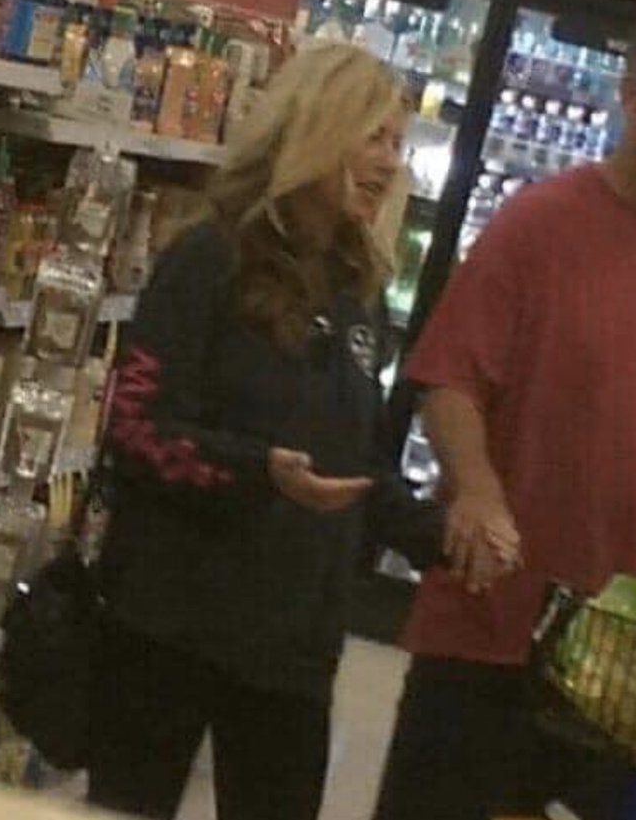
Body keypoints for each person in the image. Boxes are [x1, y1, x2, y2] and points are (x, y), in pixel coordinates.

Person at [374, 4, 636, 820]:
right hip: (494, 621)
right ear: (632, 99)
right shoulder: (537, 224)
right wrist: (477, 489)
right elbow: (450, 380)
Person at [87, 42, 515, 820]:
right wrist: (261, 471)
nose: (390, 163)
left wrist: (445, 538)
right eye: (373, 137)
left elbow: (353, 467)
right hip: (170, 625)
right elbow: (137, 427)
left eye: (397, 143)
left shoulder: (356, 291)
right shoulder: (211, 256)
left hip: (292, 648)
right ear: (313, 130)